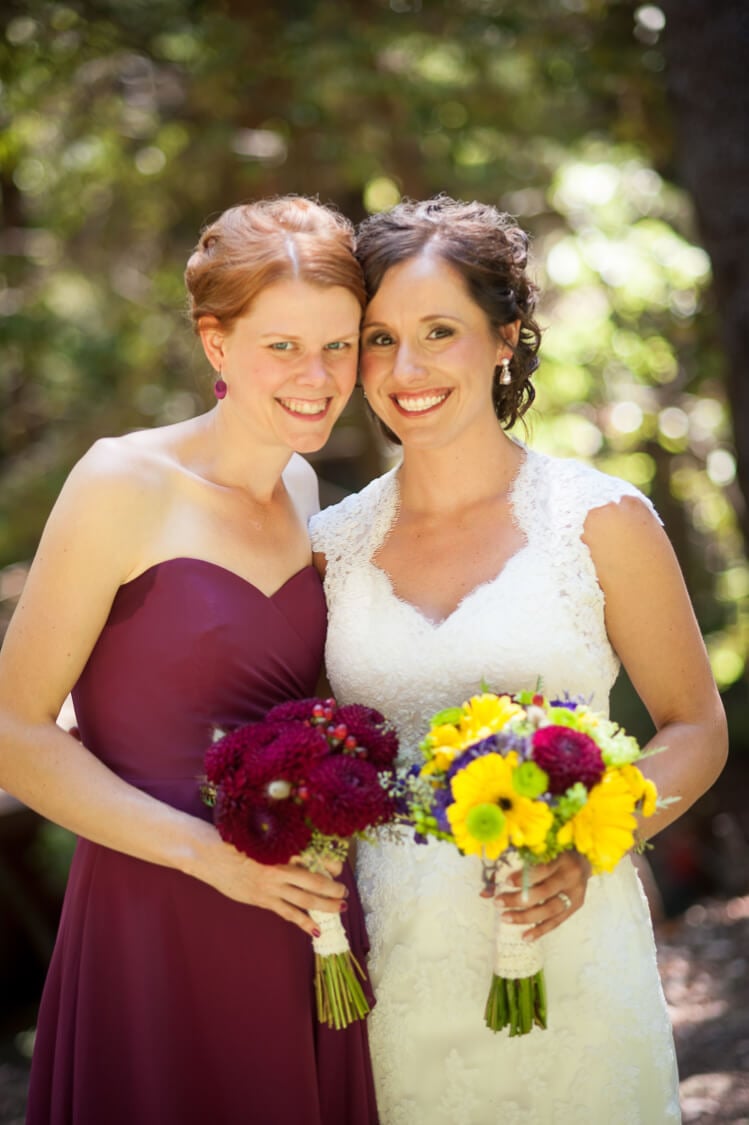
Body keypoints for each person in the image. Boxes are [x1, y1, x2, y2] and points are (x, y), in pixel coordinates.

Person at [310, 195, 728, 1124]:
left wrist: (591, 845)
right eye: (377, 339)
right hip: (390, 960)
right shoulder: (328, 545)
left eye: (438, 330)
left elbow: (696, 727)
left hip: (568, 937)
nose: (404, 369)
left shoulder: (598, 519)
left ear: (504, 338)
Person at [0, 196, 379, 1125]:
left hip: (303, 909)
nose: (318, 376)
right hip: (157, 908)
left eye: (338, 345)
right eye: (281, 346)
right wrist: (211, 859)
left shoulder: (302, 486)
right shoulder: (122, 482)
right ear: (215, 344)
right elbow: (12, 733)